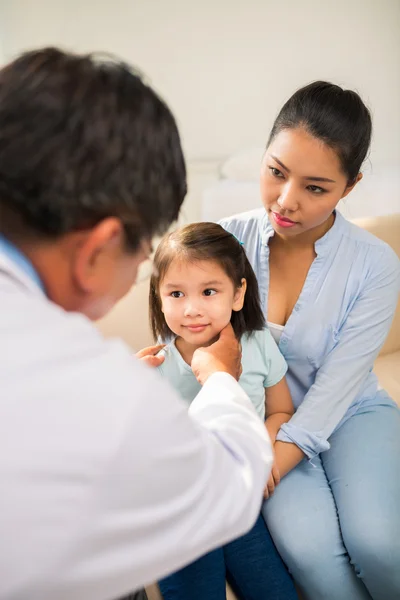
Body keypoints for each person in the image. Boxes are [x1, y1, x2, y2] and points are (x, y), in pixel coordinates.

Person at [0, 48, 273, 600]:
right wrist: (221, 377)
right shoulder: (103, 392)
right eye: (145, 256)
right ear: (97, 249)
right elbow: (226, 484)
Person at [220, 81, 400, 600]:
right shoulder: (223, 244)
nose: (286, 200)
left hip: (350, 412)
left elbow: (339, 386)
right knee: (312, 556)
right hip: (262, 420)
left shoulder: (376, 264)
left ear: (350, 186)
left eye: (315, 188)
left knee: (381, 545)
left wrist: (272, 466)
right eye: (276, 172)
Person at [147, 222, 297, 600]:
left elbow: (280, 411)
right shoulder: (156, 365)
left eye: (209, 291)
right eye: (176, 294)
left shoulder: (258, 343)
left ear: (238, 293)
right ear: (159, 298)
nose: (192, 309)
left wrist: (263, 452)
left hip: (239, 501)